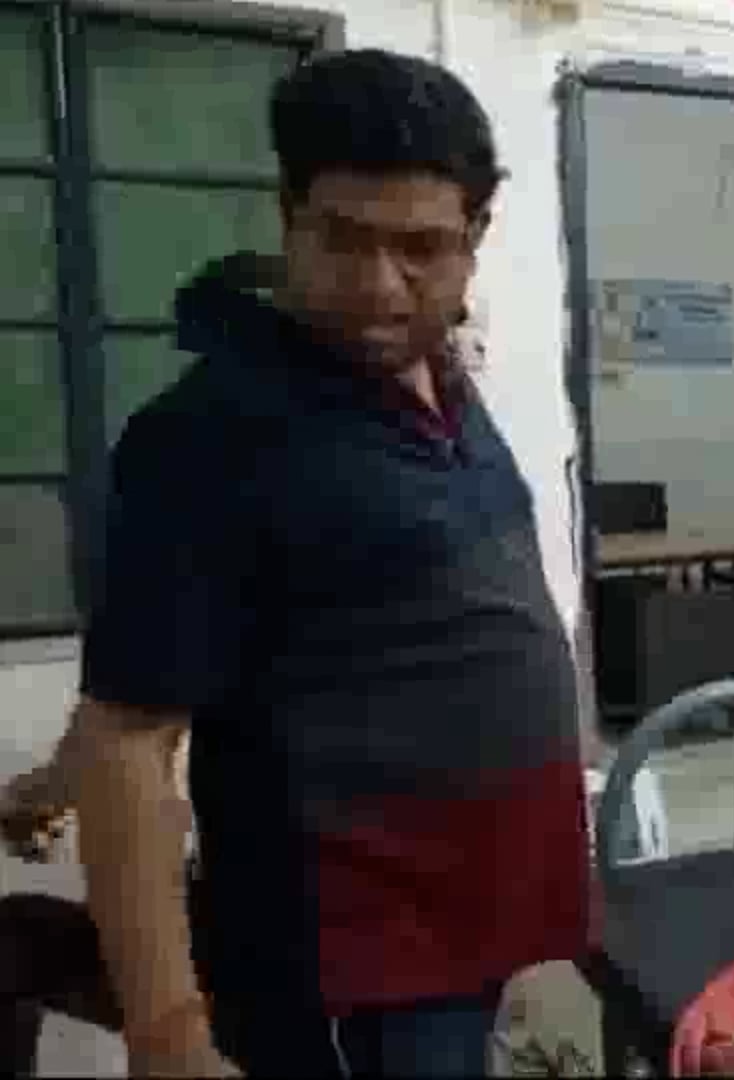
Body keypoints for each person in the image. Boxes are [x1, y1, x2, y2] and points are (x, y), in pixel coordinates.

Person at [65, 50, 585, 1076]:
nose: (379, 286)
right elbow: (126, 736)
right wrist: (169, 1033)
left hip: (464, 932)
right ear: (288, 215)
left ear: (475, 237)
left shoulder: (435, 376)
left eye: (420, 248)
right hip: (354, 972)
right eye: (343, 238)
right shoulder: (214, 435)